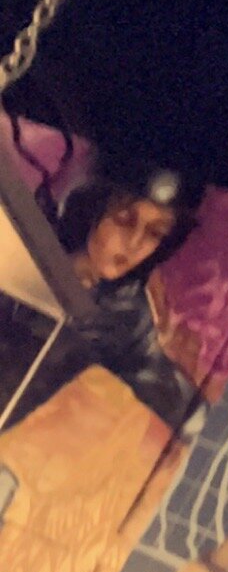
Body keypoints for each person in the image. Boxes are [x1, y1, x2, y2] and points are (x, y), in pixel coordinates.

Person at [0, 163, 202, 434]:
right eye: (124, 219)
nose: (134, 243)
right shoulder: (23, 240)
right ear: (93, 207)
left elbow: (179, 405)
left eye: (155, 233)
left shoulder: (126, 312)